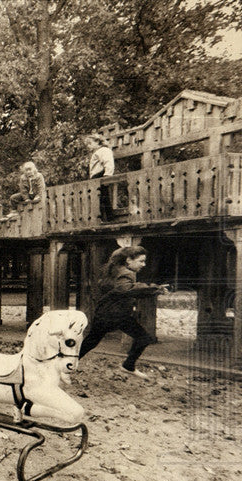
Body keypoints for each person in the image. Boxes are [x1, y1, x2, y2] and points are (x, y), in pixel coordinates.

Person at [78, 245, 170, 379]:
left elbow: (125, 291)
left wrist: (152, 290)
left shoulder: (115, 270)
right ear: (128, 260)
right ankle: (128, 365)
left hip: (106, 313)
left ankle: (65, 363)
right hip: (116, 315)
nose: (144, 265)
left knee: (91, 342)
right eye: (141, 261)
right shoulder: (126, 273)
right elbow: (125, 289)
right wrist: (155, 289)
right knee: (144, 338)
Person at [85, 135, 116, 220]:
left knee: (104, 197)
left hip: (101, 176)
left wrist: (107, 176)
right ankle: (104, 218)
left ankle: (108, 218)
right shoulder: (96, 152)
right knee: (100, 198)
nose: (88, 146)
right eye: (87, 144)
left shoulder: (103, 150)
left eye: (90, 143)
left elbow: (108, 163)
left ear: (97, 142)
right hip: (96, 177)